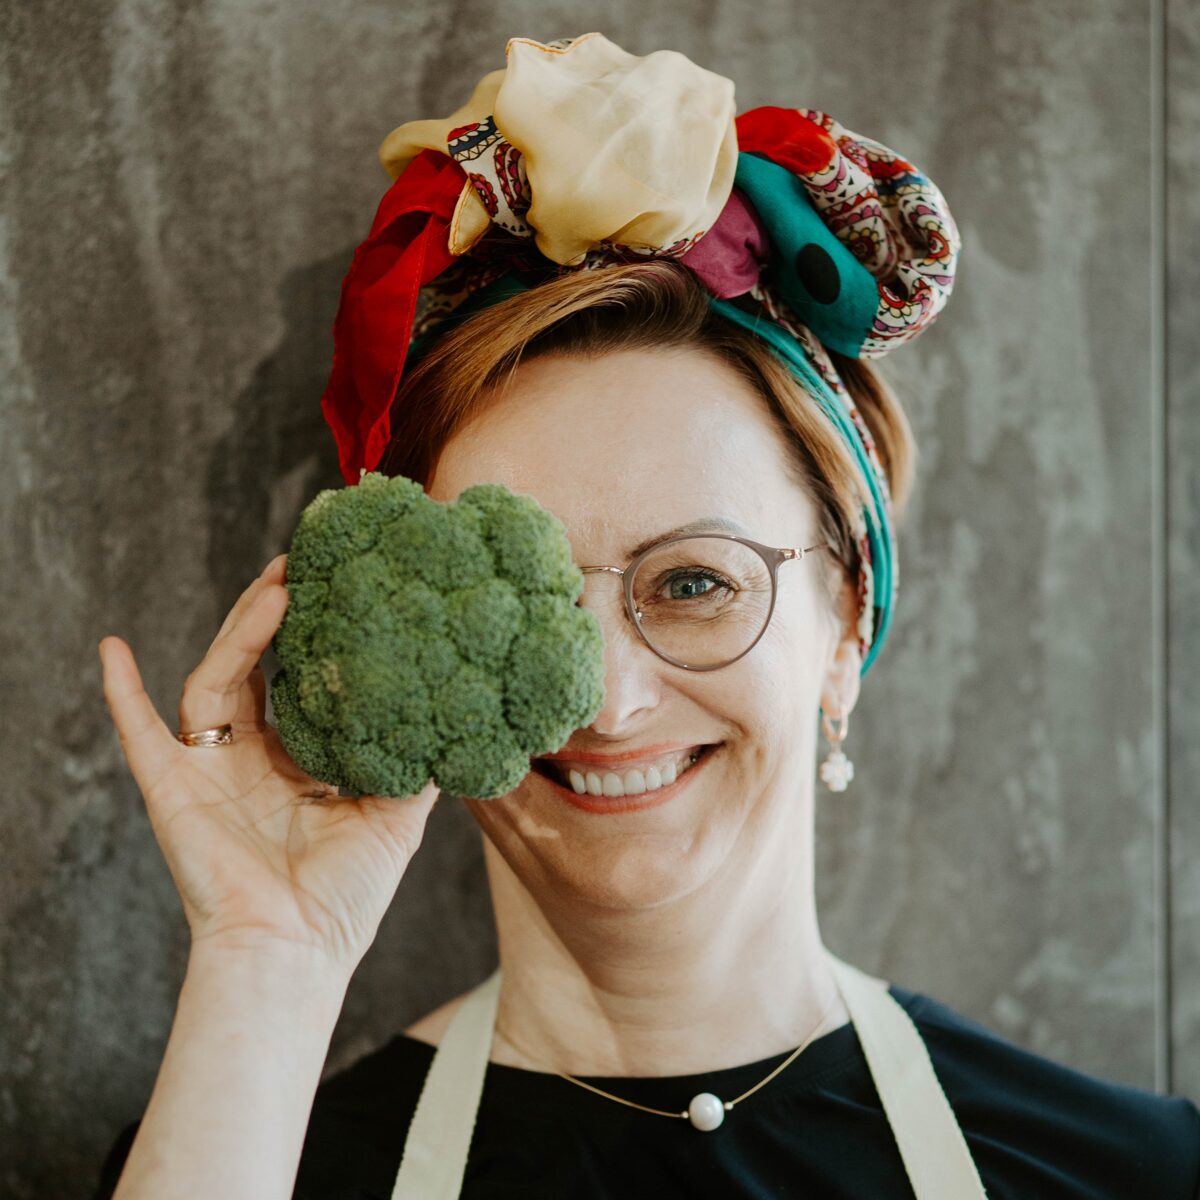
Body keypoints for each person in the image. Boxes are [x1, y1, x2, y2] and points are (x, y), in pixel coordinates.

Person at [92, 31, 1199, 1200]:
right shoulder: (241, 1155)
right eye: (518, 599)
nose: (610, 701)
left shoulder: (1140, 1178)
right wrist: (268, 962)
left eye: (694, 582)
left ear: (845, 619)